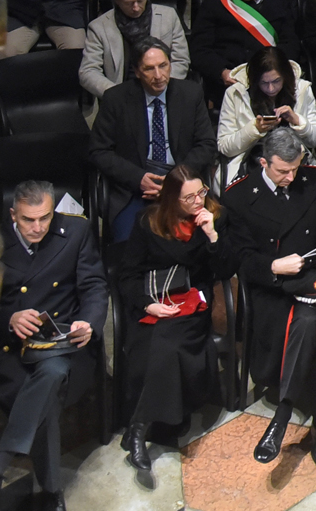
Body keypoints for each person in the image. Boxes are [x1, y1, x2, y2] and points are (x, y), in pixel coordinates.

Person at [221, 128, 316, 471]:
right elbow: (240, 259)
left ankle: (283, 414)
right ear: (264, 162)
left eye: (296, 168)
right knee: (311, 324)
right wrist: (273, 265)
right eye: (282, 171)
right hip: (273, 291)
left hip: (314, 279)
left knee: (314, 320)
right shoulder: (238, 197)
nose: (291, 177)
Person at [0, 180, 106, 511]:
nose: (38, 227)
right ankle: (51, 490)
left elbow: (93, 285)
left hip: (62, 341)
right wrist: (9, 318)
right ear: (12, 215)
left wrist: (88, 322)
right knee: (46, 389)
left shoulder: (76, 232)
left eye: (45, 218)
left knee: (53, 370)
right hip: (9, 347)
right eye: (28, 220)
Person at [114, 167, 229, 472]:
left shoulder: (214, 215)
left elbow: (225, 269)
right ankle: (151, 424)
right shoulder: (148, 222)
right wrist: (146, 305)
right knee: (152, 343)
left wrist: (212, 234)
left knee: (166, 341)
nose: (197, 201)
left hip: (192, 300)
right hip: (153, 301)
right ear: (172, 199)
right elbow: (127, 274)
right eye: (188, 197)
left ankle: (137, 430)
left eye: (201, 192)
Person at [91, 41, 216, 241]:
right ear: (137, 71)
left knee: (197, 241)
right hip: (135, 188)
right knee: (129, 245)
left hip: (182, 184)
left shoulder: (190, 94)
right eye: (149, 69)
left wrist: (176, 181)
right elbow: (99, 151)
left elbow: (207, 144)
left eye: (163, 65)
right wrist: (137, 178)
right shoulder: (116, 99)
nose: (158, 76)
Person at [192, 0, 304, 99]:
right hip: (231, 81)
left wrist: (277, 69)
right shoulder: (214, 4)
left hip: (272, 79)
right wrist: (221, 71)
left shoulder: (277, 2)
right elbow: (200, 50)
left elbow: (291, 43)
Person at [80, 0, 191, 100]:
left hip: (162, 91)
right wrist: (116, 94)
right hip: (122, 95)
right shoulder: (99, 27)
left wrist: (160, 86)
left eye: (140, 0)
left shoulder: (169, 16)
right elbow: (88, 71)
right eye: (129, 3)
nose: (136, 7)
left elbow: (181, 59)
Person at [217, 47, 316, 181]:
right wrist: (254, 129)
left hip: (295, 164)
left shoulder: (302, 89)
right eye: (264, 83)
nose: (271, 88)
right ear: (255, 80)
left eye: (276, 81)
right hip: (250, 165)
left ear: (285, 76)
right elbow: (225, 147)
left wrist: (298, 121)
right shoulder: (235, 93)